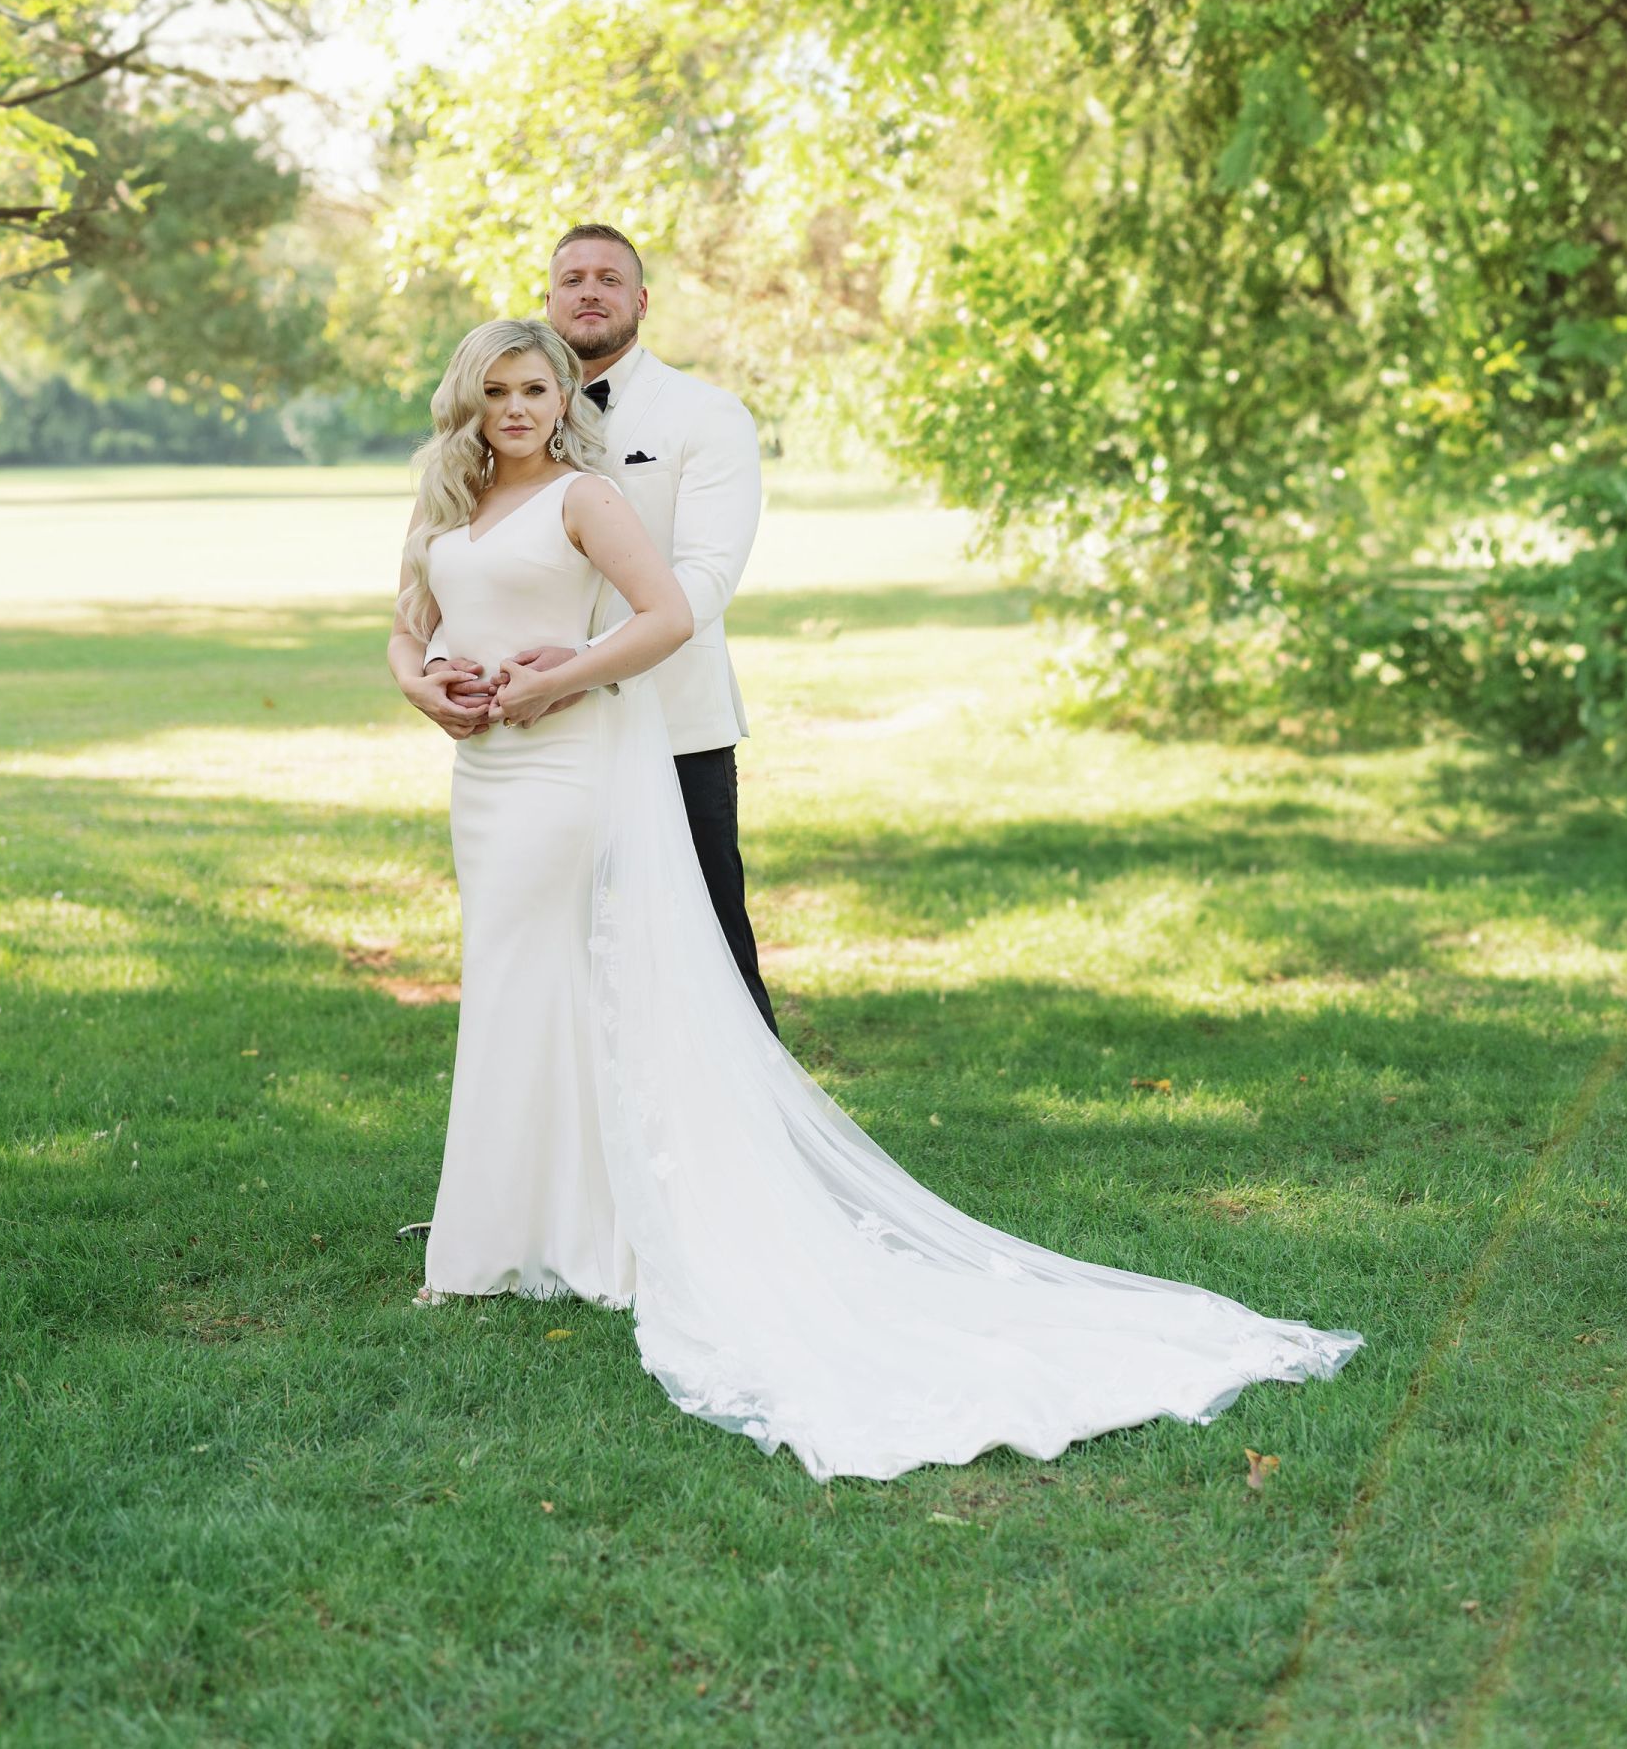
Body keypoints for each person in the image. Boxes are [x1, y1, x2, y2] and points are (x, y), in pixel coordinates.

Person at [385, 313, 1362, 1484]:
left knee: (534, 979)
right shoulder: (449, 495)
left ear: (562, 399)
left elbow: (668, 617)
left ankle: (537, 1243)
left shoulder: (585, 499)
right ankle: (532, 1228)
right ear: (469, 398)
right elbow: (406, 630)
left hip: (562, 766)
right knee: (515, 985)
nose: (516, 410)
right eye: (496, 391)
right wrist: (426, 689)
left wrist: (562, 679)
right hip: (483, 775)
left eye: (535, 389)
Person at [390, 224, 774, 1032]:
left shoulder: (706, 415)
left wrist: (581, 665)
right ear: (549, 299)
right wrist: (434, 667)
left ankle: (737, 1108)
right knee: (558, 958)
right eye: (572, 279)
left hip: (673, 723)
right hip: (528, 743)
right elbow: (463, 577)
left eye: (609, 278)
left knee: (706, 955)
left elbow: (703, 579)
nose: (590, 292)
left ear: (642, 300)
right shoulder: (491, 449)